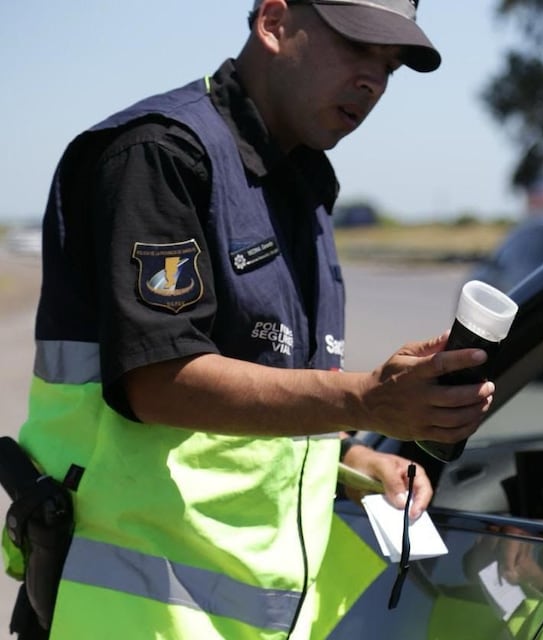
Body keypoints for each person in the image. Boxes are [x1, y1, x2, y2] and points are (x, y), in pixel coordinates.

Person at [2, 1, 496, 638]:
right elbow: (160, 380)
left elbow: (267, 387)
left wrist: (349, 463)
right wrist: (368, 401)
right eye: (355, 47)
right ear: (273, 22)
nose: (373, 81)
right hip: (128, 615)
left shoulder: (304, 185)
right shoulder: (159, 153)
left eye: (390, 66)